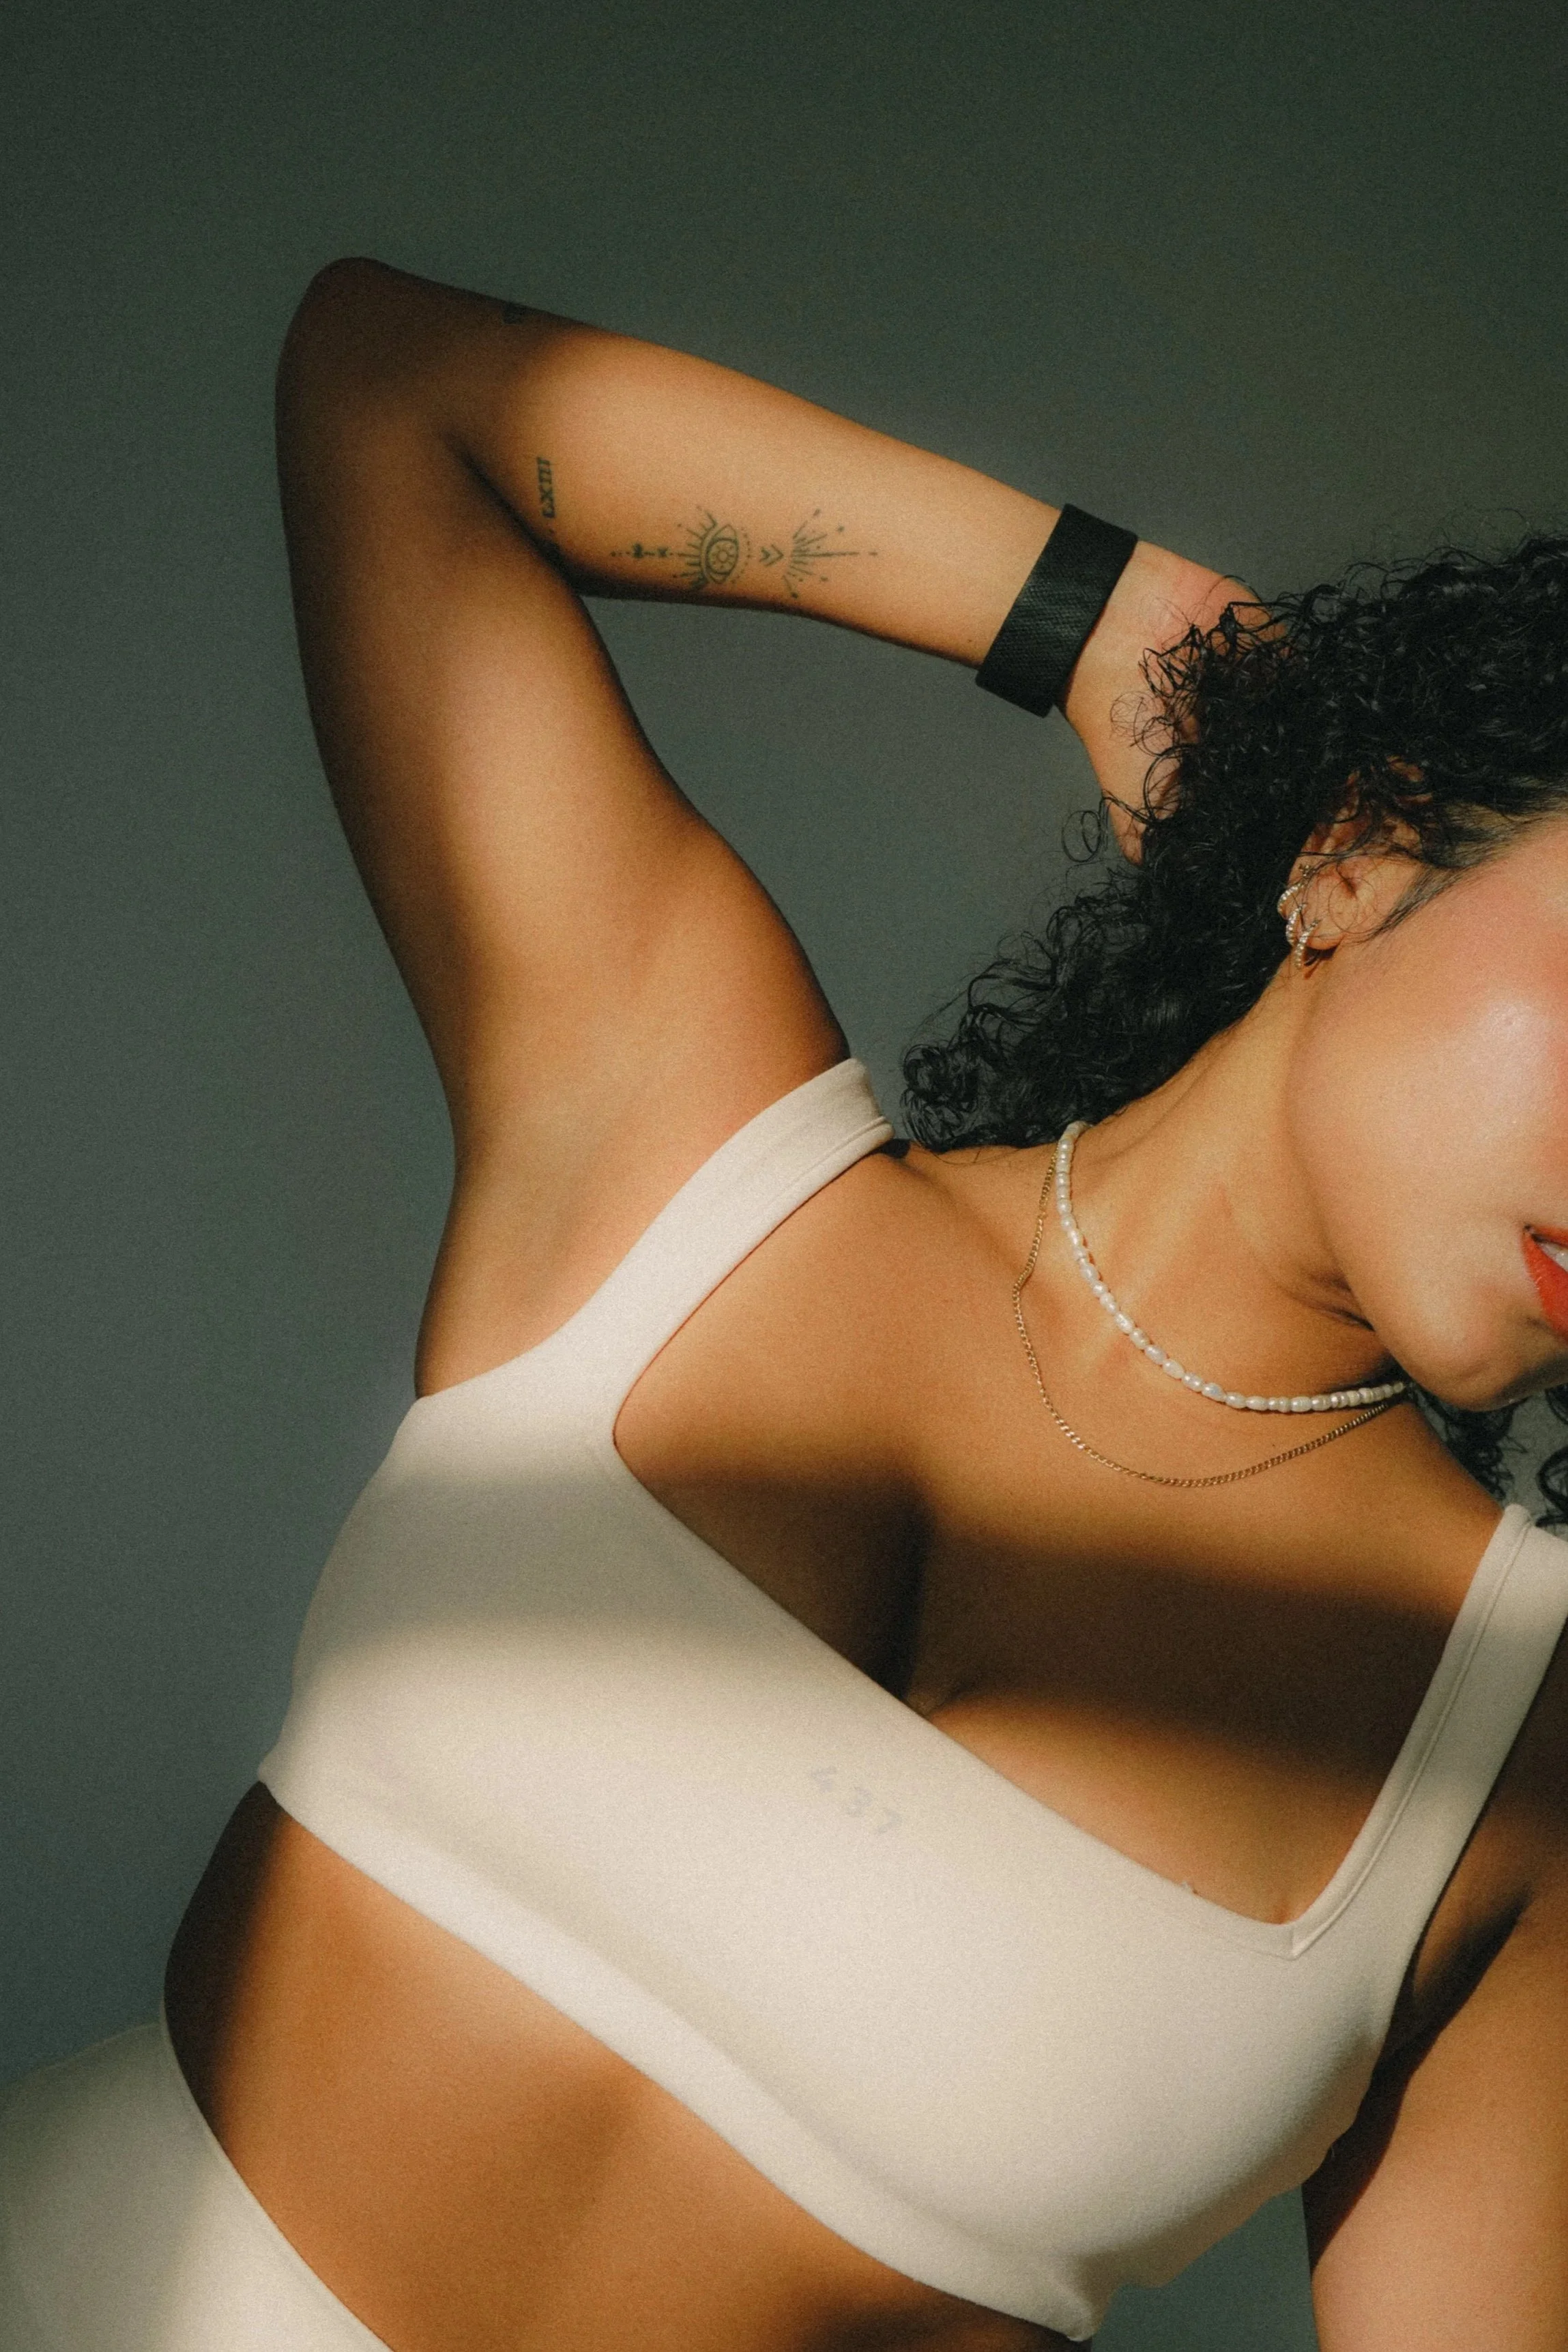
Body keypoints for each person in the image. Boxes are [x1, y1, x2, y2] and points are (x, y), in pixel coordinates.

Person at [3, 254, 1566, 2352]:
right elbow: (399, 400)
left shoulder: (1514, 1755)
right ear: (1361, 855)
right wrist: (1106, 621)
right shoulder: (685, 1138)